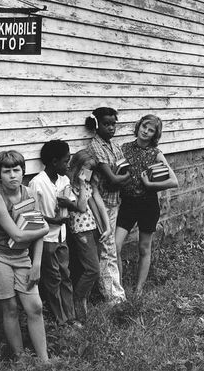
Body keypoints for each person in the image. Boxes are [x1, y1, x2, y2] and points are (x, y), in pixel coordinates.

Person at [0, 150, 49, 361]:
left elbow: (34, 229)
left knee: (35, 306)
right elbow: (17, 234)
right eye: (6, 171)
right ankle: (21, 359)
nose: (12, 175)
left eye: (16, 170)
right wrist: (45, 229)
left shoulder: (28, 194)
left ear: (23, 171)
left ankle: (45, 361)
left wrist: (36, 264)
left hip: (21, 255)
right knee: (10, 307)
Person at [115, 114, 178, 296]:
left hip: (148, 204)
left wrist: (150, 185)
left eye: (151, 130)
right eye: (144, 127)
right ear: (138, 126)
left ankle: (138, 289)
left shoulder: (155, 153)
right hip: (127, 203)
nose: (146, 132)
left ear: (154, 135)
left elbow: (173, 181)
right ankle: (118, 289)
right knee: (116, 246)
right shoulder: (124, 148)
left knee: (144, 247)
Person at [28, 139, 82, 328]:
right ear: (54, 161)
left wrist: (68, 207)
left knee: (65, 274)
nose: (68, 165)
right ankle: (61, 319)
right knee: (53, 278)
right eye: (66, 161)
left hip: (62, 236)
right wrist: (53, 221)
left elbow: (73, 204)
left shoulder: (64, 180)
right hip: (46, 239)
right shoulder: (37, 183)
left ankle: (70, 316)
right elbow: (31, 215)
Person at [85, 107, 130, 304]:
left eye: (113, 124)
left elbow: (127, 171)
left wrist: (123, 177)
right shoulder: (96, 147)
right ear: (96, 125)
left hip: (114, 201)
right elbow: (112, 179)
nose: (111, 128)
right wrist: (124, 177)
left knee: (108, 248)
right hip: (101, 203)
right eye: (106, 124)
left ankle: (109, 291)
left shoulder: (114, 146)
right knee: (108, 249)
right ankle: (114, 298)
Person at [66, 149, 111, 322]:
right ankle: (78, 298)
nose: (87, 173)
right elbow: (82, 207)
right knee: (92, 269)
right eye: (84, 168)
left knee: (92, 267)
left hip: (94, 228)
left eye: (90, 169)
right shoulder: (69, 186)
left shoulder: (90, 185)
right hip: (81, 230)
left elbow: (100, 205)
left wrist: (107, 227)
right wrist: (82, 183)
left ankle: (83, 302)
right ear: (76, 166)